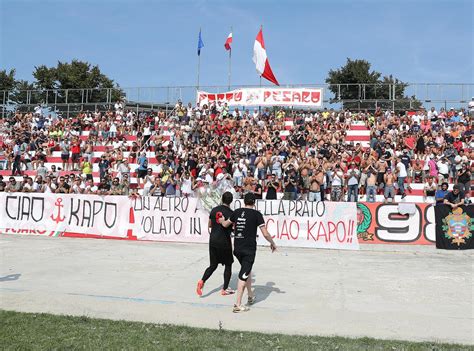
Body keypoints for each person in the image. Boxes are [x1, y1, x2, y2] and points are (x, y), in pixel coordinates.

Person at [219, 192, 277, 313]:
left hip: (237, 248)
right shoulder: (257, 214)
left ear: (244, 201)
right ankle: (238, 304)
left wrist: (221, 220)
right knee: (243, 275)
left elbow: (225, 224)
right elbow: (265, 233)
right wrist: (272, 243)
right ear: (254, 203)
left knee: (247, 270)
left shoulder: (237, 212)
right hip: (248, 249)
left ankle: (250, 296)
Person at [196, 192, 235, 297]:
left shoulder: (214, 210)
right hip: (224, 242)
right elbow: (233, 228)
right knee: (228, 264)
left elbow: (209, 225)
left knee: (213, 265)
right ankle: (225, 288)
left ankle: (202, 281)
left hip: (213, 240)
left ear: (222, 199)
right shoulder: (232, 213)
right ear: (231, 201)